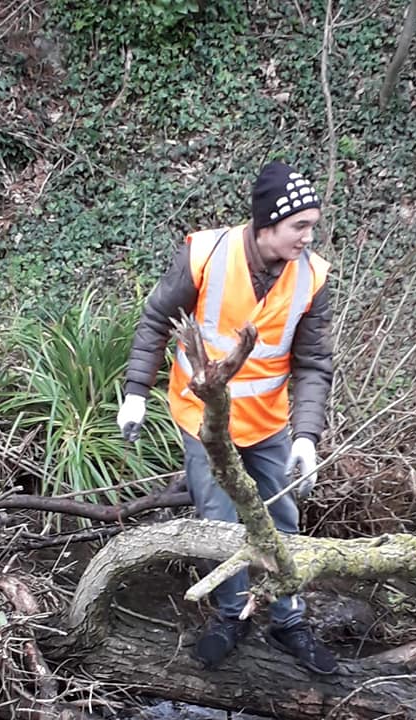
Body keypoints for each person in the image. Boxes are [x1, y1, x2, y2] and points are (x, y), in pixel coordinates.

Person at [117, 160, 338, 676]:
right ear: (267, 224)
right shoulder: (204, 254)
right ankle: (231, 615)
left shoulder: (312, 277)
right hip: (203, 419)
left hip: (268, 423)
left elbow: (312, 364)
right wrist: (135, 394)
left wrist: (306, 437)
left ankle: (288, 619)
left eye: (312, 226)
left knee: (282, 519)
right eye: (299, 226)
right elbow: (155, 321)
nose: (308, 237)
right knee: (218, 522)